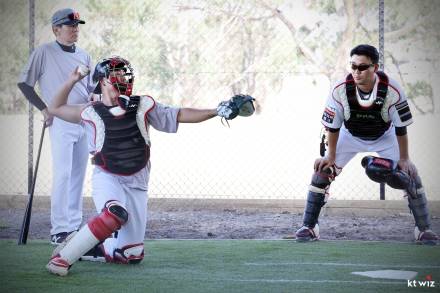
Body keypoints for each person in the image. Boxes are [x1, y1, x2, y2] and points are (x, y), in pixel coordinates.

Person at [45, 56, 253, 276]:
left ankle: (84, 244)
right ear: (103, 81)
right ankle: (61, 259)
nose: (122, 78)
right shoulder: (89, 111)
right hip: (108, 177)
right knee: (114, 213)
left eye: (124, 73)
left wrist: (215, 111)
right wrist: (73, 79)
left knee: (130, 255)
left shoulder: (142, 104)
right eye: (115, 74)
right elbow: (55, 107)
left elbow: (179, 113)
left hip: (137, 182)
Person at [294, 44, 438, 245]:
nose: (356, 71)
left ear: (374, 67)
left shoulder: (392, 90)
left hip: (385, 135)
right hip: (348, 135)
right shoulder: (339, 90)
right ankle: (309, 227)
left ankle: (424, 230)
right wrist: (331, 157)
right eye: (352, 66)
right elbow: (333, 129)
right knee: (322, 171)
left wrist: (405, 159)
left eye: (362, 67)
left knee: (411, 174)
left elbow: (400, 128)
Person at [17, 8, 95, 245]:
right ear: (55, 29)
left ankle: (73, 226)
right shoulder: (43, 52)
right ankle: (59, 229)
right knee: (62, 174)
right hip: (61, 119)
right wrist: (44, 109)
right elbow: (25, 84)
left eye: (76, 26)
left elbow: (90, 89)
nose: (75, 30)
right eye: (69, 26)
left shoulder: (85, 55)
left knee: (78, 176)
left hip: (84, 119)